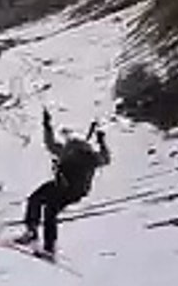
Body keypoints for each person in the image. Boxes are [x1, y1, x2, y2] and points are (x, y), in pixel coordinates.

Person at [15, 109, 110, 259]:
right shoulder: (73, 152)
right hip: (62, 186)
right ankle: (33, 233)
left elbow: (104, 159)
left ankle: (46, 244)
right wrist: (47, 126)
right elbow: (51, 144)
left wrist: (101, 141)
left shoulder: (85, 156)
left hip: (73, 190)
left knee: (48, 209)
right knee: (37, 199)